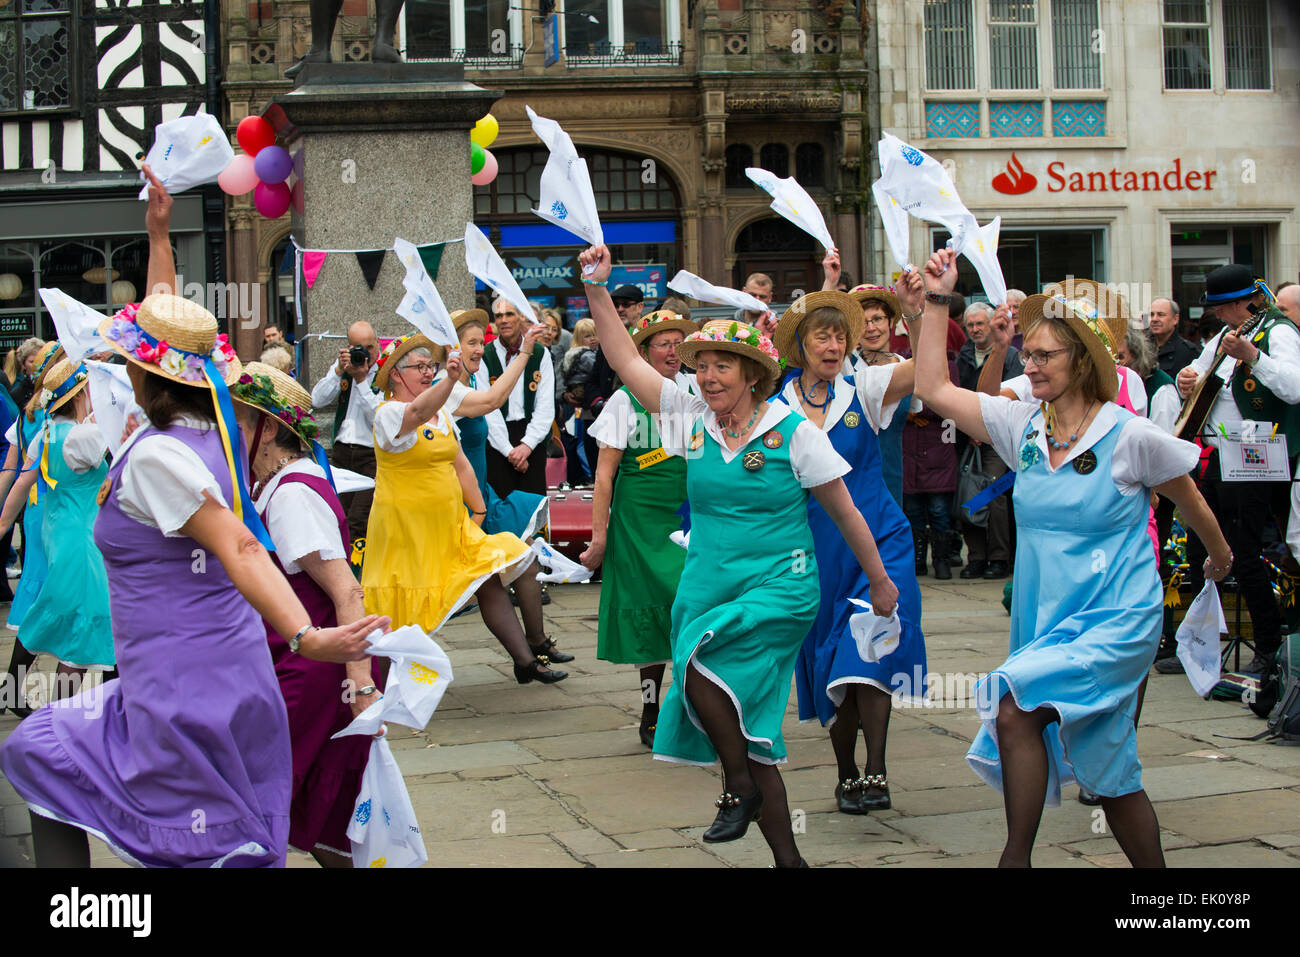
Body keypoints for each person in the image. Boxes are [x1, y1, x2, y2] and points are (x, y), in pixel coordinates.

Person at [0, 292, 385, 868]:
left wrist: (308, 637)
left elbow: (242, 544)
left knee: (48, 757)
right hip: (214, 669)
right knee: (56, 758)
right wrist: (158, 235)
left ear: (141, 372)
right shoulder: (216, 437)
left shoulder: (160, 458)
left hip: (182, 683)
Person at [579, 242, 897, 868]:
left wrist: (881, 582)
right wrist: (596, 285)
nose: (709, 376)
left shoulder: (793, 432)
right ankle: (784, 849)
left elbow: (845, 510)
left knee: (699, 672)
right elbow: (623, 359)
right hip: (707, 587)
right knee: (751, 733)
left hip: (780, 588)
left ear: (752, 372)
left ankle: (739, 790)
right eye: (702, 366)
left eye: (723, 365)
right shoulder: (687, 420)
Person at [914, 245, 1232, 868]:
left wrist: (1218, 558)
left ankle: (1015, 860)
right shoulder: (1020, 426)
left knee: (1014, 706)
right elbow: (931, 387)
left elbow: (1190, 501)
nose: (1027, 365)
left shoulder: (1130, 436)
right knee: (1111, 769)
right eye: (1025, 354)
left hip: (1118, 617)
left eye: (1042, 355)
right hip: (1047, 617)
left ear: (1082, 361)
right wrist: (935, 299)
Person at [771, 286, 925, 815]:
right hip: (813, 555)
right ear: (801, 345)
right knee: (831, 662)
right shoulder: (774, 408)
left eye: (841, 335)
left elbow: (928, 370)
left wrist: (919, 311)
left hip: (879, 541)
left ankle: (876, 768)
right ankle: (846, 773)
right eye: (823, 334)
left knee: (872, 651)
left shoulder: (868, 386)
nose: (834, 344)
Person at [231, 361, 386, 867]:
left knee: (259, 799)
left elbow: (347, 593)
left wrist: (360, 688)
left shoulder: (292, 493)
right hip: (301, 667)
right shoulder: (272, 487)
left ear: (268, 429)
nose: (228, 432)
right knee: (313, 810)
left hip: (314, 675)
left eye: (238, 420)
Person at [363, 333, 566, 684]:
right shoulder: (388, 413)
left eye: (431, 367)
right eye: (420, 368)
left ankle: (525, 661)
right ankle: (374, 687)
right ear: (396, 374)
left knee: (489, 576)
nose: (428, 373)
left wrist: (478, 511)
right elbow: (416, 411)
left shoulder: (440, 415)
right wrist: (451, 379)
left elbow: (460, 465)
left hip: (449, 525)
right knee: (399, 607)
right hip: (405, 530)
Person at [1176, 264, 1300, 677]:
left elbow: (1295, 387)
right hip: (1221, 455)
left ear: (1242, 302)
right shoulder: (1227, 337)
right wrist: (1186, 379)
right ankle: (1203, 640)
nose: (1217, 317)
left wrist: (1255, 358)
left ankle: (1267, 645)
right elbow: (1197, 371)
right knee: (1201, 546)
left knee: (1242, 550)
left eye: (1222, 308)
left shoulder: (1277, 332)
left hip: (1258, 455)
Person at [582, 309, 698, 748]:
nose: (671, 351)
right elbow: (605, 474)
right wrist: (600, 536)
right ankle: (651, 711)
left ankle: (693, 704)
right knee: (651, 626)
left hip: (687, 517)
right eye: (662, 343)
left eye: (677, 343)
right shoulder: (623, 400)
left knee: (692, 608)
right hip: (639, 524)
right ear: (644, 351)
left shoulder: (695, 393)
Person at [0, 357, 113, 706]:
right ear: (79, 396)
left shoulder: (47, 433)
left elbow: (22, 480)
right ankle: (60, 719)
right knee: (84, 625)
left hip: (57, 534)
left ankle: (9, 692)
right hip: (83, 541)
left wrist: (3, 524)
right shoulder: (86, 438)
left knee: (48, 613)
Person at [956, 302, 1023, 579]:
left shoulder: (1011, 356)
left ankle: (999, 557)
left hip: (998, 439)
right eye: (970, 325)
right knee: (968, 495)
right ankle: (976, 557)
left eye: (980, 324)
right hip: (968, 439)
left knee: (993, 494)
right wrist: (968, 427)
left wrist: (986, 428)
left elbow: (1009, 401)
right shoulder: (962, 355)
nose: (974, 330)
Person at [310, 320, 381, 548]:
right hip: (341, 453)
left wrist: (361, 381)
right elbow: (317, 399)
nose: (365, 355)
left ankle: (354, 573)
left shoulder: (387, 372)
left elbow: (379, 419)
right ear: (349, 348)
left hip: (371, 456)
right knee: (338, 516)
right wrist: (339, 371)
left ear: (378, 344)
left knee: (358, 520)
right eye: (358, 348)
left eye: (369, 347)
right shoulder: (344, 369)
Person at [484, 299, 555, 499]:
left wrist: (527, 445)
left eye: (509, 314)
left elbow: (545, 406)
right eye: (499, 316)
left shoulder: (541, 354)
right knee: (499, 506)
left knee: (533, 506)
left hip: (532, 438)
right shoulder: (485, 356)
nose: (504, 320)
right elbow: (487, 408)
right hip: (496, 438)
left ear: (521, 317)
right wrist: (508, 450)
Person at [1147, 298, 1198, 381]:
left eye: (1161, 315)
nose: (1154, 319)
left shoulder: (1188, 352)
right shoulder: (1141, 349)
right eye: (1151, 315)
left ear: (1175, 319)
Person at [8, 337, 46, 413]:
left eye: (40, 359)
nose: (37, 364)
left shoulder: (54, 386)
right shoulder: (17, 394)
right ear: (23, 364)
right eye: (32, 361)